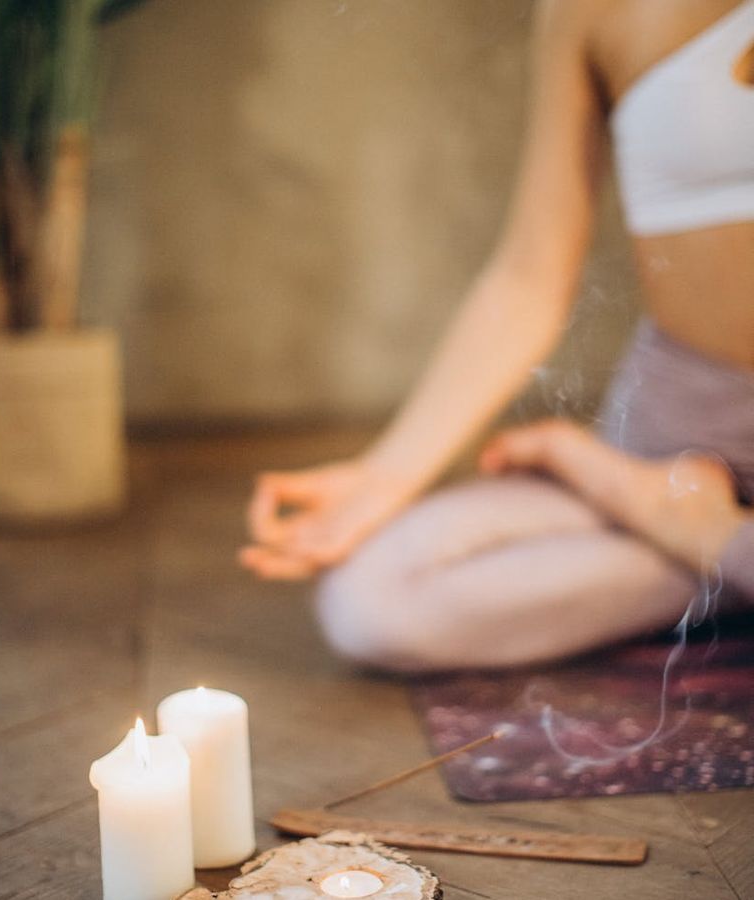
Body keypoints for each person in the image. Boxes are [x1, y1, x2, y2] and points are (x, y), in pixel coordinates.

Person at [240, 0, 754, 671]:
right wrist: (385, 473)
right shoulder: (588, 10)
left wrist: (710, 532)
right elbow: (529, 277)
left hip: (680, 502)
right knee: (376, 598)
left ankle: (714, 543)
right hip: (675, 449)